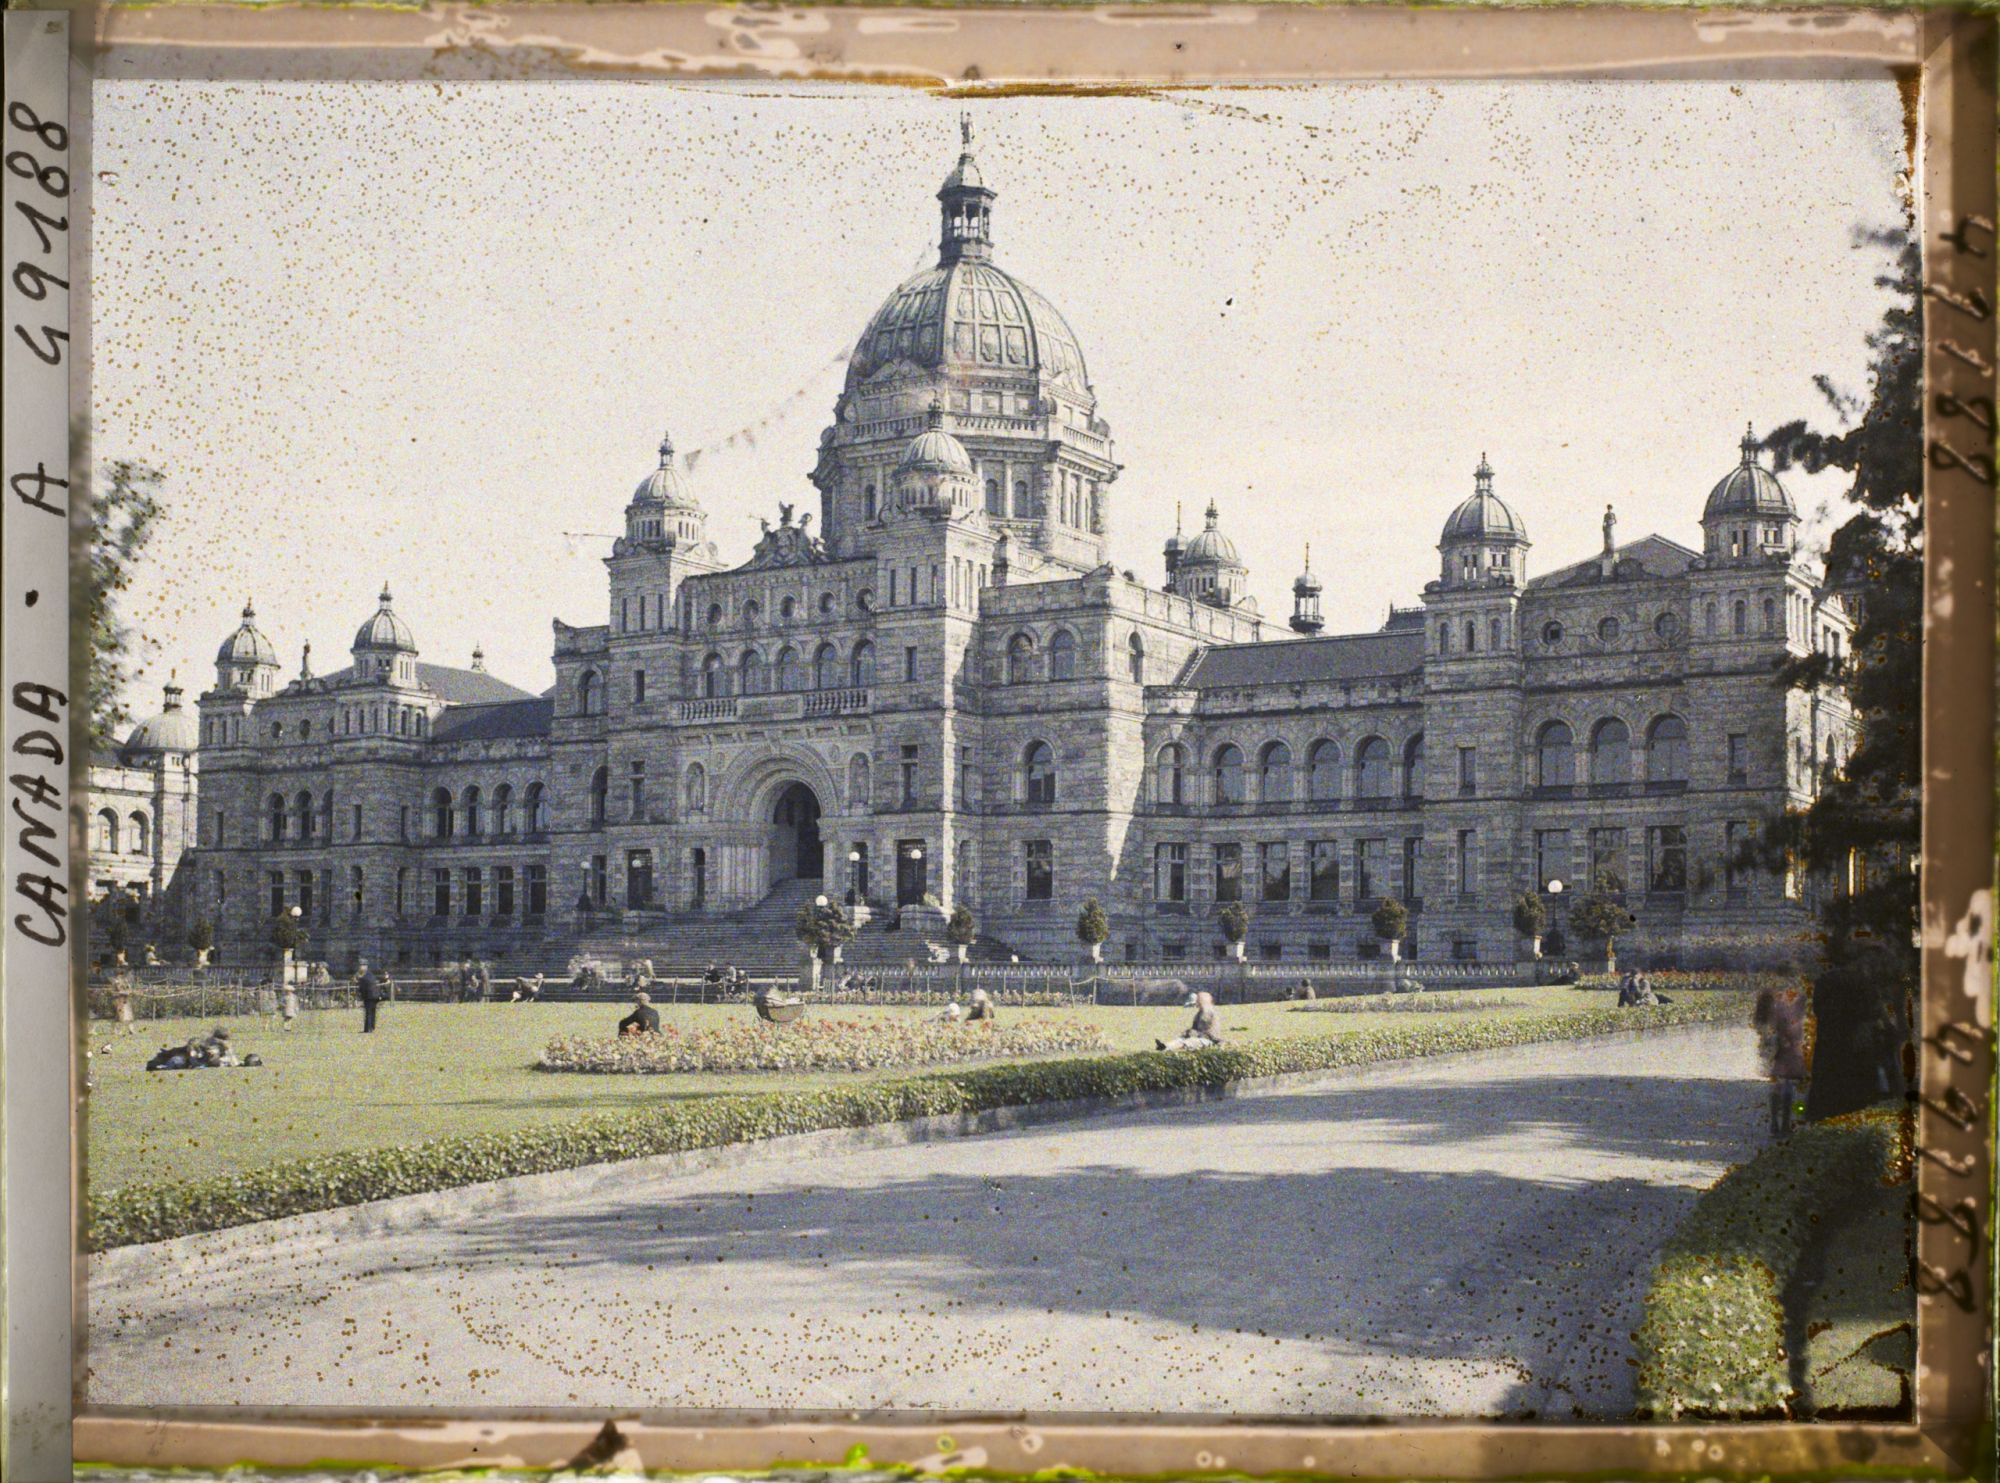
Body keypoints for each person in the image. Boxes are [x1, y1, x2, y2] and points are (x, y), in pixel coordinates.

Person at [1754, 985, 1808, 1138]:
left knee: (1777, 1086)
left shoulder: (1770, 1005)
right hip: (1786, 1051)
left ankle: (1774, 1123)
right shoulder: (1782, 1005)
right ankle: (1785, 1122)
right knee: (1788, 1087)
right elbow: (1791, 1024)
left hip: (1773, 1052)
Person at [1158, 991, 1223, 1052]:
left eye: (1198, 1000)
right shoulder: (1200, 1013)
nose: (1197, 1002)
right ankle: (1165, 1046)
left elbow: (1209, 1034)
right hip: (1199, 1038)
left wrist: (1194, 1033)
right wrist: (1188, 1032)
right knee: (1180, 1039)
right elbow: (1195, 1028)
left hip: (1208, 1040)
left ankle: (1168, 1048)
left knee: (1189, 1042)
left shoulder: (1210, 1013)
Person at [356, 959, 383, 1034]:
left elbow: (363, 988)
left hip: (369, 996)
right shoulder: (370, 974)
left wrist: (361, 996)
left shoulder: (364, 976)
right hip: (374, 995)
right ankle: (372, 1027)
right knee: (372, 1012)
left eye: (361, 965)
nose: (360, 967)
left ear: (365, 966)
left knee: (368, 1012)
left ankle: (368, 1029)